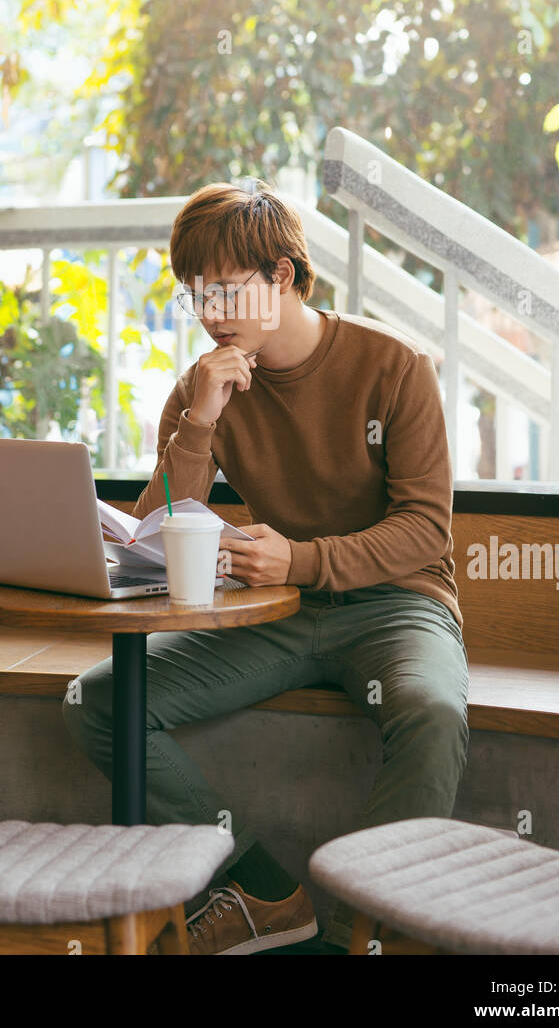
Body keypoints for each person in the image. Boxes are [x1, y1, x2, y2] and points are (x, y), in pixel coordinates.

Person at [63, 179, 469, 955]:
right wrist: (199, 423)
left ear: (282, 277)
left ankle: (359, 937)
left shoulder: (395, 368)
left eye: (223, 289)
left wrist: (303, 558)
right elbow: (156, 527)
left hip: (393, 604)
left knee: (432, 712)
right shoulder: (202, 386)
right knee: (100, 700)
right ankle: (258, 888)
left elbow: (424, 530)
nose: (208, 311)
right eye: (193, 293)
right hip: (268, 610)